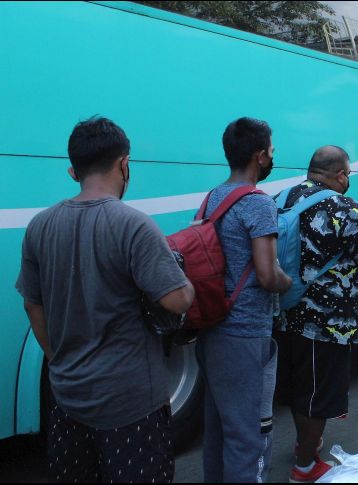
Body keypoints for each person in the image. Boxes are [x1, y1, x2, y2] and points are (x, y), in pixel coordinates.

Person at [15, 117, 194, 483]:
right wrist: (186, 283)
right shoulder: (134, 225)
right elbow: (177, 301)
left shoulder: (40, 226)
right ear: (124, 164)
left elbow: (32, 304)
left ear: (72, 171)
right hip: (131, 405)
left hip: (67, 400)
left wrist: (57, 358)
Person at [275, 146, 358, 483]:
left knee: (299, 387)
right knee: (318, 397)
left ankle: (302, 445)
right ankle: (305, 467)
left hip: (286, 311)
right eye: (347, 175)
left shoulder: (281, 198)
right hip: (327, 323)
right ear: (340, 174)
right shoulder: (343, 207)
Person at [195, 117, 293, 483]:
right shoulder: (257, 203)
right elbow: (268, 276)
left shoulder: (211, 198)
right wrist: (289, 283)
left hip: (213, 329)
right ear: (258, 156)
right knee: (247, 436)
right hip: (244, 333)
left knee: (219, 430)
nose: (272, 156)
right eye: (270, 150)